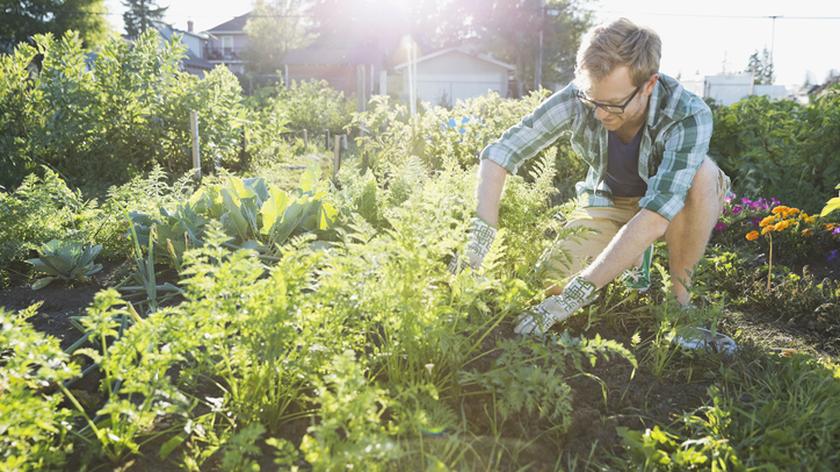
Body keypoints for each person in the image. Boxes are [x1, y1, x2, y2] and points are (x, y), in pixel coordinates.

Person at [454, 17, 736, 350]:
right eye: (593, 101)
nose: (600, 114)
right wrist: (480, 236)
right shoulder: (579, 97)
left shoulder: (687, 113)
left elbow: (658, 213)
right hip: (609, 201)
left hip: (671, 208)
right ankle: (630, 263)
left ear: (648, 85)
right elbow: (501, 152)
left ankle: (679, 306)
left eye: (613, 104)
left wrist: (581, 290)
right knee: (550, 285)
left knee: (702, 174)